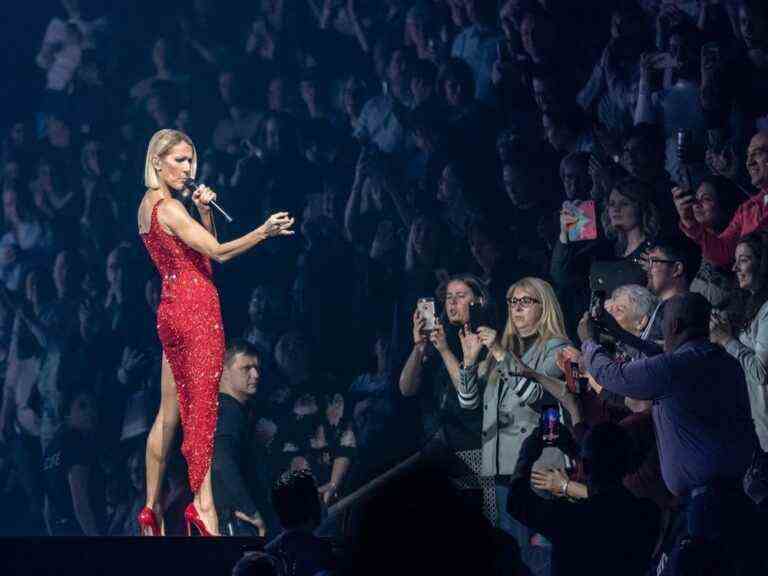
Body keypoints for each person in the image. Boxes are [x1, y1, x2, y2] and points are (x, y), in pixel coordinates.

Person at [137, 129, 295, 536]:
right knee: (203, 411)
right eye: (180, 161)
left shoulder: (149, 207)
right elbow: (218, 254)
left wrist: (205, 213)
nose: (188, 169)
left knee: (169, 413)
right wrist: (265, 231)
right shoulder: (169, 209)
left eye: (191, 161)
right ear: (157, 162)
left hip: (171, 308)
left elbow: (200, 251)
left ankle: (150, 510)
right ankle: (204, 511)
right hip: (195, 312)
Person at [579, 293, 758, 569]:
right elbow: (665, 357)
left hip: (705, 508)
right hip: (734, 495)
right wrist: (617, 332)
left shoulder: (675, 369)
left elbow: (611, 375)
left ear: (673, 327)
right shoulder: (721, 361)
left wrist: (589, 342)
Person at [457, 276, 569, 576]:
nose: (517, 309)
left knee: (538, 558)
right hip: (501, 473)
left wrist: (498, 352)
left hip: (537, 474)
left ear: (543, 306)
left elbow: (536, 397)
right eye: (512, 302)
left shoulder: (556, 349)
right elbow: (468, 404)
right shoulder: (503, 351)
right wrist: (468, 362)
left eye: (525, 301)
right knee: (511, 559)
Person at [506, 422, 660, 576]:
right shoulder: (647, 514)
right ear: (628, 464)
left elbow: (517, 502)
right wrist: (577, 453)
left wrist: (527, 454)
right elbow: (611, 504)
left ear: (585, 466)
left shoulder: (569, 518)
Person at [675, 130, 768, 268]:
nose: (749, 162)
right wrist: (690, 222)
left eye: (758, 153)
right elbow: (723, 252)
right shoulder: (748, 209)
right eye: (748, 155)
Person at [710, 231, 768, 451]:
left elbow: (761, 373)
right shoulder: (747, 304)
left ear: (763, 264)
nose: (734, 268)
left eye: (743, 260)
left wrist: (726, 340)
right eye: (735, 261)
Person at [212, 340, 271, 537]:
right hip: (237, 523)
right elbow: (222, 462)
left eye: (256, 368)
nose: (256, 374)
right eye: (246, 368)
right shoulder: (229, 412)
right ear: (225, 372)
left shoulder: (227, 410)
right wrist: (251, 511)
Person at [42, 387, 105, 536]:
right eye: (82, 406)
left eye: (93, 406)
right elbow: (80, 503)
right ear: (67, 414)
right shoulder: (76, 442)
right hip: (79, 529)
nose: (90, 411)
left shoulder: (51, 448)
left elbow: (47, 509)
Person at [265, 470, 336, 576]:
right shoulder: (330, 557)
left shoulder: (263, 559)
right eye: (318, 496)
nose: (322, 502)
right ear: (313, 506)